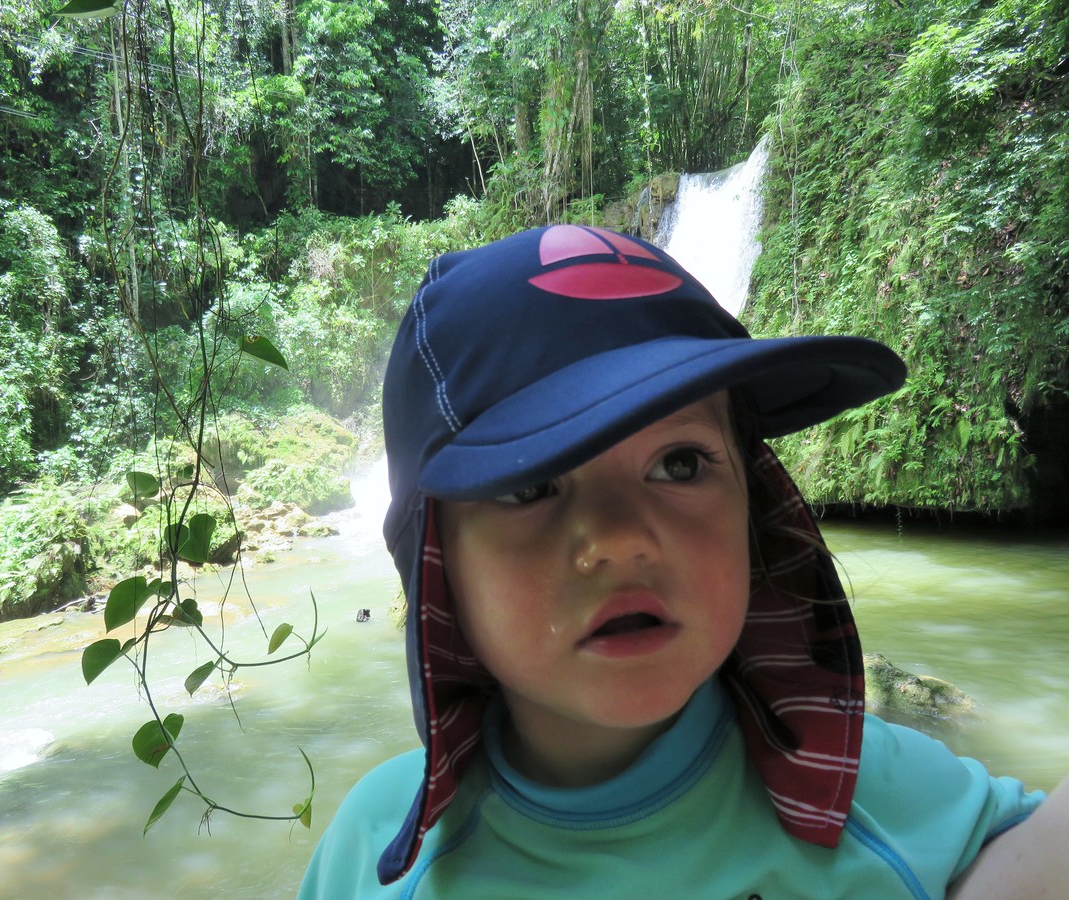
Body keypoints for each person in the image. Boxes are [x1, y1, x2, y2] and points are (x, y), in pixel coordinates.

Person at [299, 225, 1064, 898]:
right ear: (437, 566)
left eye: (681, 464)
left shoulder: (869, 792)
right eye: (532, 484)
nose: (621, 540)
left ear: (756, 512)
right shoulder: (375, 858)